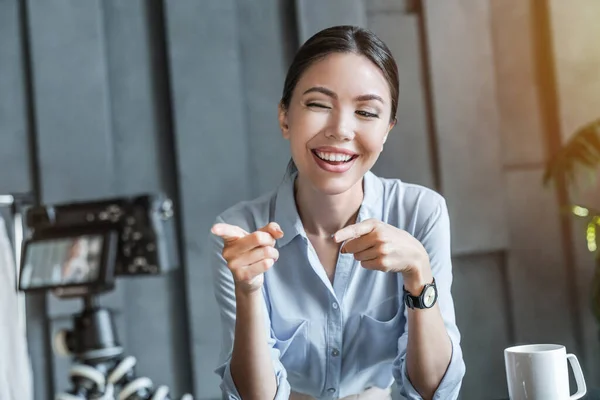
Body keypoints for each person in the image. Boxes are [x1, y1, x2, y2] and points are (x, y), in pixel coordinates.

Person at [210, 25, 465, 400]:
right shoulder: (241, 231)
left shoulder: (421, 213)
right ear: (284, 118)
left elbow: (434, 392)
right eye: (318, 105)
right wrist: (249, 291)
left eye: (366, 112)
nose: (341, 130)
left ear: (387, 130)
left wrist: (419, 275)